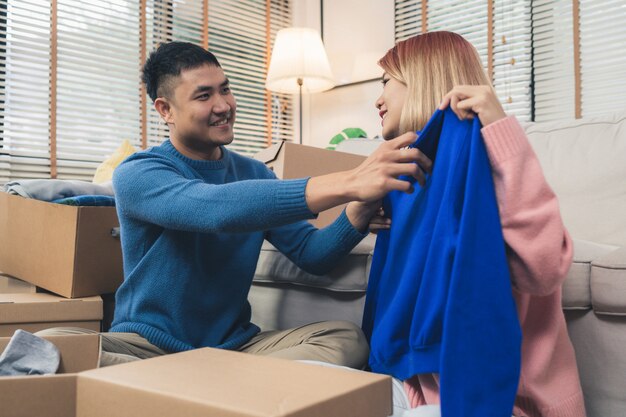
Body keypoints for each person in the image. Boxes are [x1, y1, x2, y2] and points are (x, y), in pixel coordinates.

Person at [36, 41, 432, 368]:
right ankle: (218, 388)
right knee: (47, 344)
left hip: (234, 349)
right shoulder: (138, 174)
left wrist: (358, 213)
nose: (223, 104)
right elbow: (212, 208)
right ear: (165, 110)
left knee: (344, 339)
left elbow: (313, 254)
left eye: (224, 89)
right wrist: (350, 181)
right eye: (204, 96)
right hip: (146, 348)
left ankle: (199, 388)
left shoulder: (254, 172)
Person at [368, 32, 586, 417]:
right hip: (417, 389)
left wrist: (501, 129)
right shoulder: (405, 179)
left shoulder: (489, 165)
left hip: (504, 403)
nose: (378, 99)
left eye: (386, 82)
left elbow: (546, 268)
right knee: (310, 388)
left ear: (420, 79)